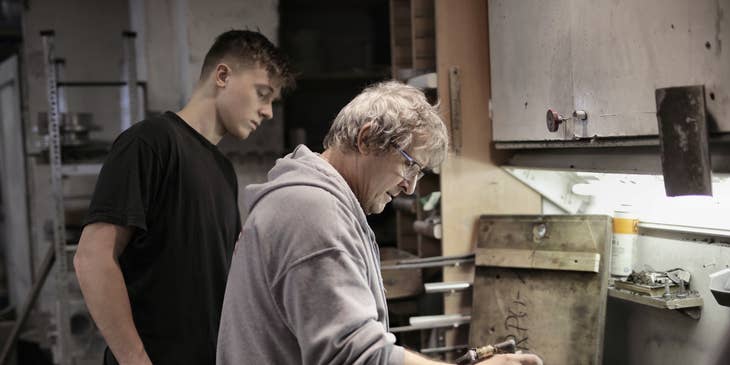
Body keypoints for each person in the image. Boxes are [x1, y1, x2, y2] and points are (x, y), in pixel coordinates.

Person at [216, 81, 541, 365]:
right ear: (367, 138)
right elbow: (357, 357)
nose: (410, 187)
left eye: (419, 174)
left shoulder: (317, 201)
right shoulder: (313, 213)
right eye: (408, 165)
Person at [73, 30, 294, 365]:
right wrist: (135, 360)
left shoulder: (223, 171)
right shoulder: (150, 143)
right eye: (262, 94)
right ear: (223, 75)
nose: (268, 112)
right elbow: (92, 259)